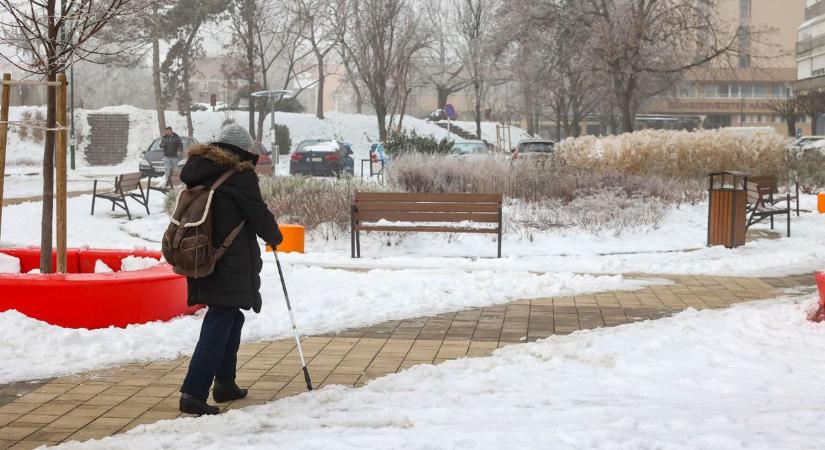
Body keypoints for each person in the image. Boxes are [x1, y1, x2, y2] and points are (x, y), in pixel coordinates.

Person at [178, 123, 283, 416]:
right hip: (229, 262)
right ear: (240, 152)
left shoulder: (200, 170)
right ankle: (193, 393)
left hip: (203, 257)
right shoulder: (239, 177)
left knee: (230, 316)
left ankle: (224, 383)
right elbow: (258, 214)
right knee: (221, 318)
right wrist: (275, 236)